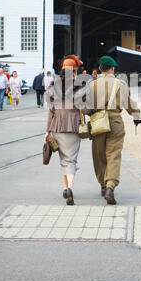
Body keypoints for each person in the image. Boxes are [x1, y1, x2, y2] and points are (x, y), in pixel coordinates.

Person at [85, 55, 141, 205]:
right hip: (116, 121)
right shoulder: (121, 84)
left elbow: (85, 107)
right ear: (113, 68)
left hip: (98, 122)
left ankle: (103, 185)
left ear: (99, 69)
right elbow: (129, 103)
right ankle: (111, 186)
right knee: (114, 154)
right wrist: (136, 116)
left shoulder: (92, 85)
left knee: (99, 155)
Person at [44, 55, 84, 206]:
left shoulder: (54, 87)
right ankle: (70, 187)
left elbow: (51, 112)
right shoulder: (79, 87)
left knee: (63, 160)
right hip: (74, 127)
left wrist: (47, 132)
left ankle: (66, 188)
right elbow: (86, 110)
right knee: (71, 159)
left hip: (57, 127)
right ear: (74, 72)